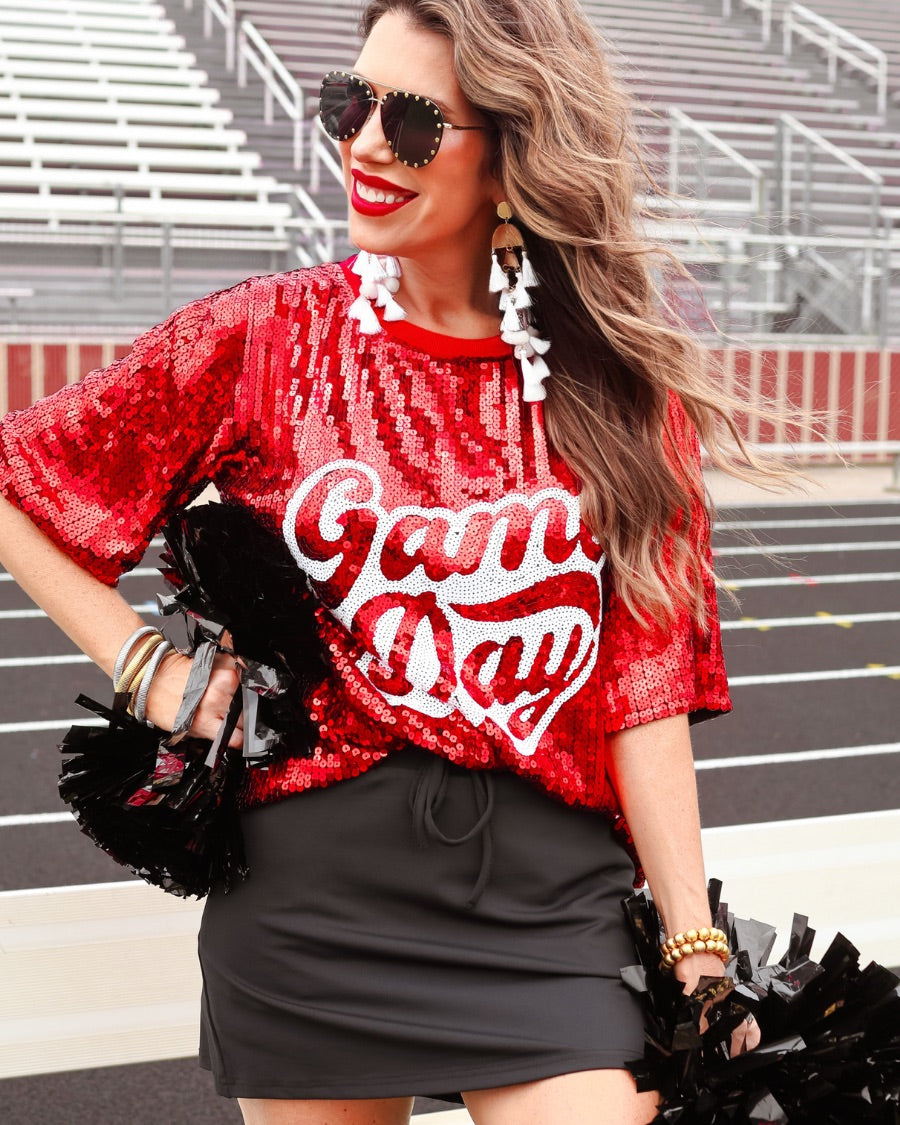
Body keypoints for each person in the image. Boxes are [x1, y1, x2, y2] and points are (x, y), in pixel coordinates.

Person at [0, 1, 769, 1122]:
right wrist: (144, 668)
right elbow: (22, 479)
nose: (362, 142)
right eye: (348, 104)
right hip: (310, 905)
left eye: (411, 123)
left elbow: (640, 689)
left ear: (512, 154)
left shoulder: (616, 396)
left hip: (552, 908)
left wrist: (696, 945)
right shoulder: (262, 336)